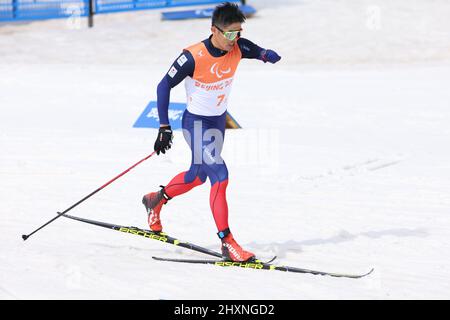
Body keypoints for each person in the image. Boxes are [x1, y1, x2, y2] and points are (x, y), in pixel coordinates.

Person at [142, 2, 281, 262]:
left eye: (238, 33)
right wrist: (163, 126)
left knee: (197, 177)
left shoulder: (239, 46)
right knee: (220, 175)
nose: (234, 39)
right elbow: (163, 86)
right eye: (230, 34)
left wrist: (267, 55)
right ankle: (227, 242)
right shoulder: (192, 56)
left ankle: (155, 200)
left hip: (218, 123)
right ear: (214, 30)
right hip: (195, 124)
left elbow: (257, 50)